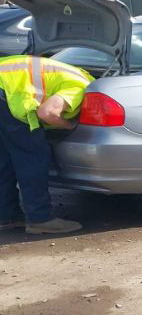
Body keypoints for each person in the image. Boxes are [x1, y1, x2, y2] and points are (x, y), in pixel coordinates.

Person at [0, 55, 92, 235]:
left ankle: (6, 216)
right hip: (8, 95)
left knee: (5, 158)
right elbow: (47, 112)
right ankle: (41, 219)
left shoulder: (66, 72)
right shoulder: (81, 86)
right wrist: (69, 125)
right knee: (32, 157)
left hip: (4, 88)